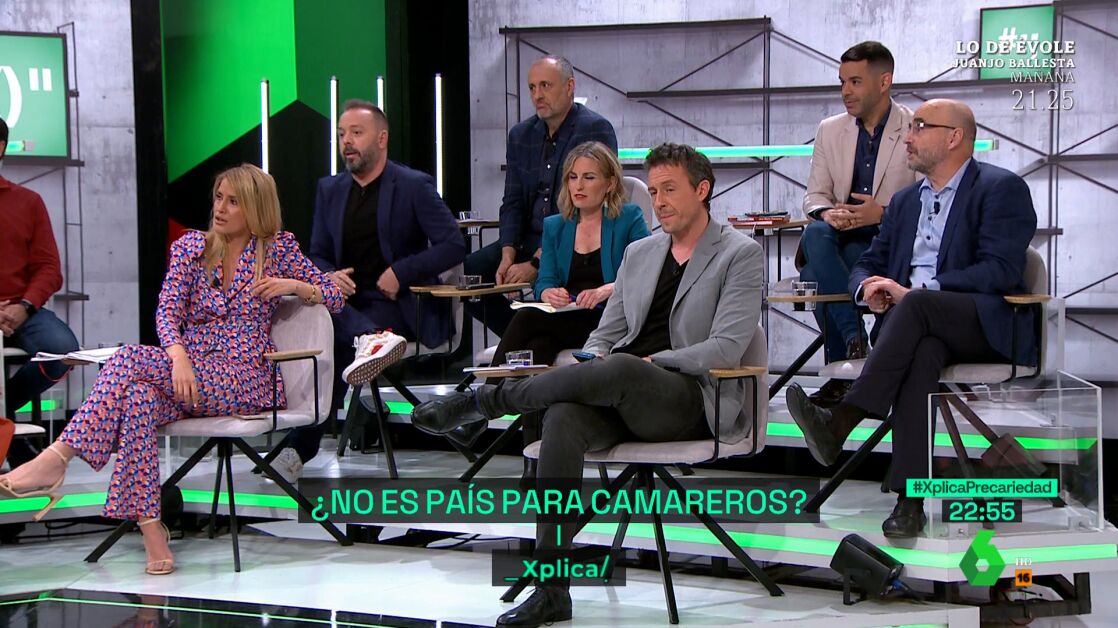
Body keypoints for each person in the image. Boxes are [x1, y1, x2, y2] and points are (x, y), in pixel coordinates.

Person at [413, 143, 764, 627]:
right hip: (623, 391)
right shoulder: (641, 253)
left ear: (702, 190)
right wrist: (593, 359)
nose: (659, 202)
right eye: (654, 191)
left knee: (623, 367)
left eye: (669, 190)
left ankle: (487, 401)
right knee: (563, 417)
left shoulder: (739, 254)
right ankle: (552, 590)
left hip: (688, 396)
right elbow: (605, 334)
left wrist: (651, 361)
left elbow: (726, 347)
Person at [0, 164, 344, 574]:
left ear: (255, 208)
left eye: (233, 202)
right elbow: (166, 312)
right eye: (218, 198)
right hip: (190, 371)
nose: (220, 208)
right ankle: (151, 528)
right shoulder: (191, 249)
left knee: (126, 359)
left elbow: (334, 296)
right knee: (138, 397)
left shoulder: (277, 250)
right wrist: (179, 357)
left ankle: (59, 456)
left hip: (247, 375)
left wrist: (296, 287)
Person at [786, 99, 1038, 538]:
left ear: (954, 137)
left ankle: (843, 419)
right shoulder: (904, 203)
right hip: (915, 328)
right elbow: (869, 262)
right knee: (922, 353)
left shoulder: (1001, 188)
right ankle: (909, 502)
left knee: (918, 306)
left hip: (982, 324)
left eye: (921, 127)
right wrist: (867, 289)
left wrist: (919, 292)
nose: (908, 136)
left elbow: (1000, 270)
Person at [273, 100, 466, 477]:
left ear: (382, 138)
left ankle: (299, 446)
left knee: (332, 332)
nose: (346, 142)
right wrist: (328, 276)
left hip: (397, 305)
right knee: (318, 319)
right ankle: (369, 341)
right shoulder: (329, 189)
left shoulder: (413, 186)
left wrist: (400, 271)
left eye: (356, 133)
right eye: (342, 134)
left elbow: (453, 245)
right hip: (345, 304)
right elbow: (318, 253)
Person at [800, 41, 918, 407]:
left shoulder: (914, 126)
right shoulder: (829, 130)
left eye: (855, 82)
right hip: (839, 235)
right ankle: (855, 339)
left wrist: (881, 213)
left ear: (884, 82)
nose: (845, 92)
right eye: (842, 82)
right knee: (815, 233)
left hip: (890, 239)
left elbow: (928, 196)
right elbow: (814, 195)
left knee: (818, 276)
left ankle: (844, 374)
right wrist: (827, 213)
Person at [464, 55, 618, 337]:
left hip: (570, 236)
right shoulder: (520, 135)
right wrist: (508, 254)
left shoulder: (594, 128)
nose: (537, 95)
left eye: (546, 85)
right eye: (532, 87)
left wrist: (536, 263)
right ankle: (524, 336)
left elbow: (588, 205)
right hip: (527, 238)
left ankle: (531, 334)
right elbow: (512, 201)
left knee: (552, 277)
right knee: (472, 274)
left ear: (569, 87)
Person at [491, 141, 649, 368]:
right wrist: (548, 293)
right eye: (573, 177)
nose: (579, 186)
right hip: (567, 316)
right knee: (539, 346)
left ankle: (487, 389)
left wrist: (607, 290)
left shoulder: (629, 218)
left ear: (610, 183)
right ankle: (510, 392)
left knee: (527, 317)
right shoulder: (555, 226)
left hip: (609, 319)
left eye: (589, 177)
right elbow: (544, 280)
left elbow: (645, 273)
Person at [0, 116, 81, 465]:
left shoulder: (28, 202)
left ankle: (4, 414)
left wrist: (24, 306)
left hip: (23, 310)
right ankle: (11, 437)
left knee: (64, 350)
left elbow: (49, 268)